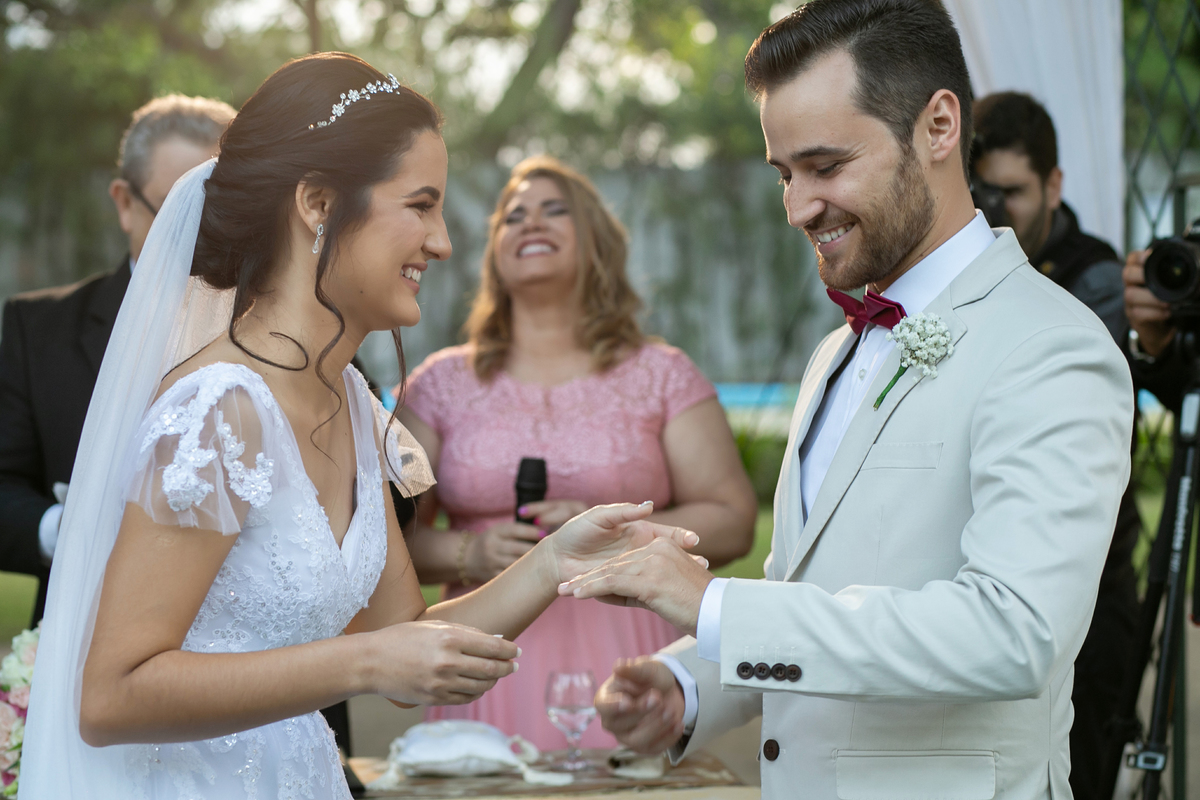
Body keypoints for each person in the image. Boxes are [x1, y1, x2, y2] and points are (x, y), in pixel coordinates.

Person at [19, 52, 699, 800]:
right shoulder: (219, 411)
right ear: (316, 204)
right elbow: (111, 696)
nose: (442, 242)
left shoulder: (349, 399)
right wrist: (362, 665)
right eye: (420, 205)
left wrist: (554, 565)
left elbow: (404, 629)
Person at [560, 2, 1134, 798]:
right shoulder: (837, 352)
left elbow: (1013, 634)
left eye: (826, 166)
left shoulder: (1052, 347)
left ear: (938, 127)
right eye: (784, 174)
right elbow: (815, 602)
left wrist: (718, 607)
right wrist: (694, 684)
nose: (798, 208)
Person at [398, 155, 757, 749]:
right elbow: (384, 545)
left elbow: (733, 521)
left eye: (555, 209)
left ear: (596, 241)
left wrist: (623, 540)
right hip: (484, 666)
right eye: (514, 215)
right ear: (493, 252)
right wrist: (472, 550)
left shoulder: (661, 374)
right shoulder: (438, 383)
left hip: (626, 663)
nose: (531, 221)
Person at [0, 94, 235, 621]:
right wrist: (65, 529)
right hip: (84, 639)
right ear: (125, 203)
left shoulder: (297, 325)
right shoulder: (38, 329)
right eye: (182, 207)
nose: (206, 231)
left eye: (226, 208)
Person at [973, 91, 1139, 800]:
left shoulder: (1094, 279)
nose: (1001, 210)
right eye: (986, 193)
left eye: (1014, 192)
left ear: (1055, 185)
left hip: (1089, 599)